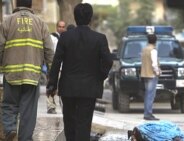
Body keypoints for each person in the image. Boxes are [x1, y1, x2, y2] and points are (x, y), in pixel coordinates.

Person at [46, 3, 113, 141]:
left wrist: (52, 85)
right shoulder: (100, 38)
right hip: (89, 89)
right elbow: (108, 61)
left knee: (69, 123)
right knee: (84, 123)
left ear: (75, 18)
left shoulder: (65, 37)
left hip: (68, 88)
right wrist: (99, 76)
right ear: (90, 18)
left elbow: (56, 62)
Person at [0, 0, 54, 140]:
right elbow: (49, 51)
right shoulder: (40, 23)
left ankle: (10, 128)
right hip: (32, 75)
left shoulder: (7, 22)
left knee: (9, 105)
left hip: (11, 74)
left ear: (16, 4)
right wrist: (51, 74)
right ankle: (24, 138)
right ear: (31, 5)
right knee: (28, 111)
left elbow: (0, 47)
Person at [47, 20, 66, 114]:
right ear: (56, 27)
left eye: (63, 27)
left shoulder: (66, 38)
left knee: (63, 88)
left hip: (64, 67)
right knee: (51, 87)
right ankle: (51, 106)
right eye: (60, 26)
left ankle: (63, 106)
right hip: (54, 67)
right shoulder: (51, 37)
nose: (61, 28)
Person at [140, 34, 161, 121]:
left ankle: (146, 113)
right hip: (152, 75)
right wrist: (158, 72)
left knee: (147, 95)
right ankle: (148, 114)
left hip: (145, 74)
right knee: (150, 95)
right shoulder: (153, 50)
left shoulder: (144, 49)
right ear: (156, 41)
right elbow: (154, 64)